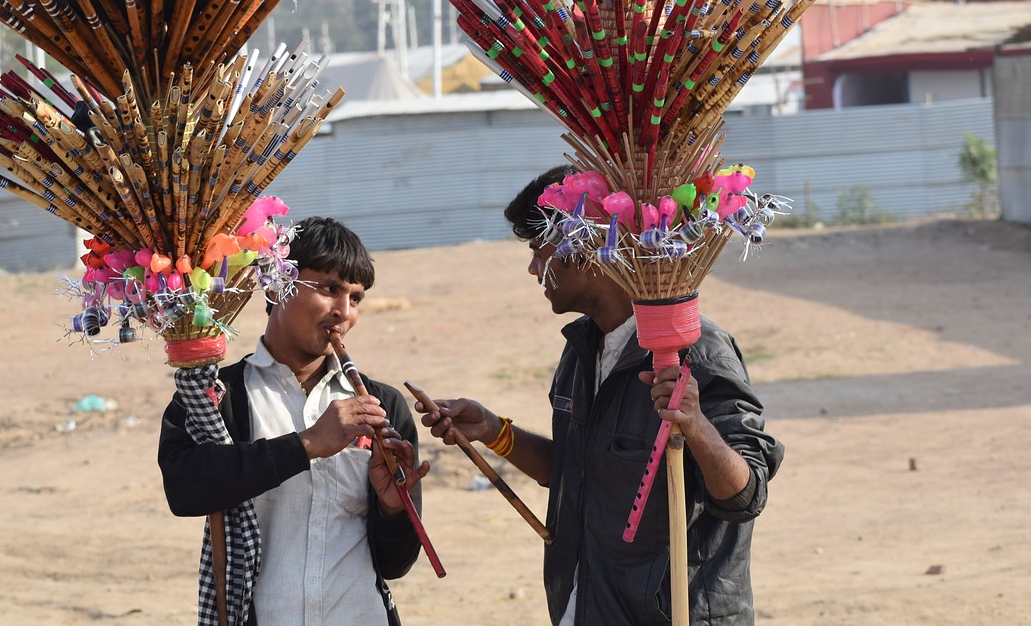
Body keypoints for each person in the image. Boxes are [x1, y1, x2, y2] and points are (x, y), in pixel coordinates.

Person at [418, 166, 784, 625]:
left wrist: (695, 424)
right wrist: (495, 432)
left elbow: (745, 496)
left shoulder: (696, 353)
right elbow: (579, 473)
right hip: (584, 607)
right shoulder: (582, 348)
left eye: (539, 250)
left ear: (586, 247)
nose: (533, 268)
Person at [159, 216, 428, 626]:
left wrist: (394, 508)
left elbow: (395, 565)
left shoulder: (381, 406)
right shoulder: (215, 396)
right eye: (329, 289)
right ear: (275, 285)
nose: (344, 313)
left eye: (355, 298)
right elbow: (184, 491)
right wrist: (305, 445)